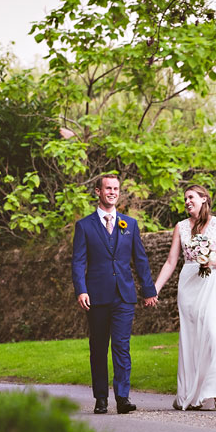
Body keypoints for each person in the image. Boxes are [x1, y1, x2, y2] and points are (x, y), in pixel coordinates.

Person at [72, 175, 158, 414]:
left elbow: (140, 260)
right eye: (108, 188)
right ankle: (101, 398)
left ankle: (122, 398)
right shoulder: (84, 226)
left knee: (121, 346)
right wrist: (81, 290)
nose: (112, 192)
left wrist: (148, 290)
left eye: (116, 189)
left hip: (124, 296)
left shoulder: (129, 224)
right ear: (98, 191)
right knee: (98, 347)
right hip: (96, 296)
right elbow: (78, 262)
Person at [154, 185, 216, 411]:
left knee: (213, 331)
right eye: (185, 199)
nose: (187, 201)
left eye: (191, 197)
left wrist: (209, 261)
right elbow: (171, 261)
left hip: (210, 281)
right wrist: (156, 288)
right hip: (188, 283)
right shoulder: (180, 227)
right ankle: (193, 394)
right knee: (190, 338)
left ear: (203, 199)